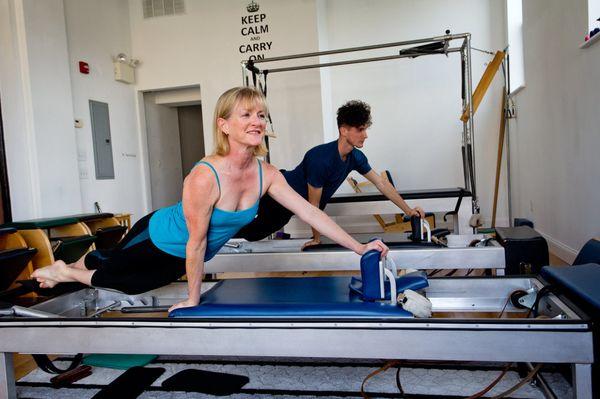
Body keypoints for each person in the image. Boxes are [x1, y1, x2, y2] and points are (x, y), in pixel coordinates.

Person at [31, 87, 388, 312]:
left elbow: (311, 211)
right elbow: (197, 241)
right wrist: (193, 298)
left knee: (128, 285)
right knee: (111, 273)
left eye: (261, 115)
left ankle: (64, 271)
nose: (257, 121)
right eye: (246, 114)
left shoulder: (268, 174)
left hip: (184, 252)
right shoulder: (205, 175)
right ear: (224, 125)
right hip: (158, 237)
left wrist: (357, 247)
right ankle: (68, 268)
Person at [237, 100, 425, 249]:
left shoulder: (355, 157)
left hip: (288, 206)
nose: (365, 134)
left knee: (252, 234)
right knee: (247, 231)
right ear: (344, 130)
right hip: (277, 197)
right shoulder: (321, 159)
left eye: (365, 129)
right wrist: (316, 238)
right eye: (360, 129)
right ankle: (210, 234)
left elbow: (381, 183)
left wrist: (408, 210)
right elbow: (313, 205)